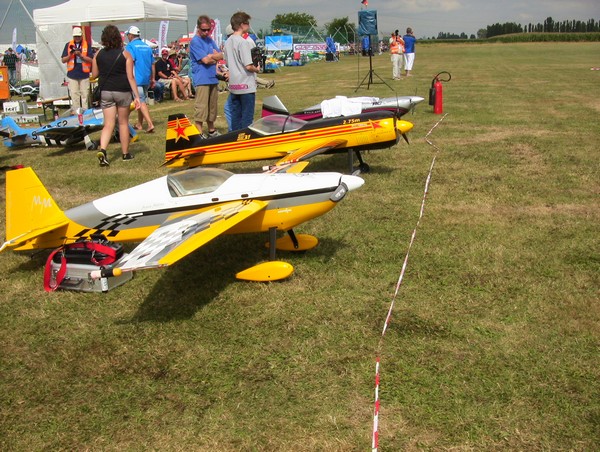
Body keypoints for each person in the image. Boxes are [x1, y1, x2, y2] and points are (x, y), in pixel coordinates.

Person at [92, 24, 140, 166]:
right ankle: (125, 154)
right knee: (123, 123)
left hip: (106, 91)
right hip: (123, 91)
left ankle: (103, 149)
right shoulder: (125, 54)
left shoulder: (98, 54)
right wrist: (137, 96)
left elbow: (94, 74)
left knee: (108, 124)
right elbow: (130, 77)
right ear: (118, 38)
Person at [224, 11, 261, 131]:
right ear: (241, 25)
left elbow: (227, 62)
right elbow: (248, 66)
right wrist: (257, 69)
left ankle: (235, 137)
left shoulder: (227, 42)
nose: (248, 25)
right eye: (247, 23)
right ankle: (246, 139)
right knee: (247, 117)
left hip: (234, 85)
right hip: (246, 85)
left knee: (235, 116)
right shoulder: (243, 42)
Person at [189, 15, 223, 138]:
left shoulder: (210, 40)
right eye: (204, 30)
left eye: (208, 29)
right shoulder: (195, 41)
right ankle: (199, 133)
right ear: (198, 28)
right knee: (201, 107)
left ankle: (211, 130)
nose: (206, 32)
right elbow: (205, 60)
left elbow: (221, 55)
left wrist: (211, 57)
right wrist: (212, 57)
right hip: (201, 79)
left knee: (212, 107)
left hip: (212, 77)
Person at [125, 25, 155, 133]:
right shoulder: (147, 46)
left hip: (136, 78)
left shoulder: (130, 46)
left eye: (128, 35)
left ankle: (150, 124)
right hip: (146, 78)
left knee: (140, 101)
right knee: (141, 101)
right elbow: (152, 64)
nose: (127, 37)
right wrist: (153, 78)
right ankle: (139, 124)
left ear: (131, 35)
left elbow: (130, 61)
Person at [61, 27, 94, 113]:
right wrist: (71, 54)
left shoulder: (87, 45)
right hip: (72, 74)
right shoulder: (68, 45)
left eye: (78, 36)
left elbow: (91, 60)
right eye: (75, 36)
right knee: (74, 96)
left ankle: (85, 114)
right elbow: (63, 60)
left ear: (81, 36)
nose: (77, 38)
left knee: (85, 96)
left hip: (84, 74)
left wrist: (80, 55)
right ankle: (76, 114)